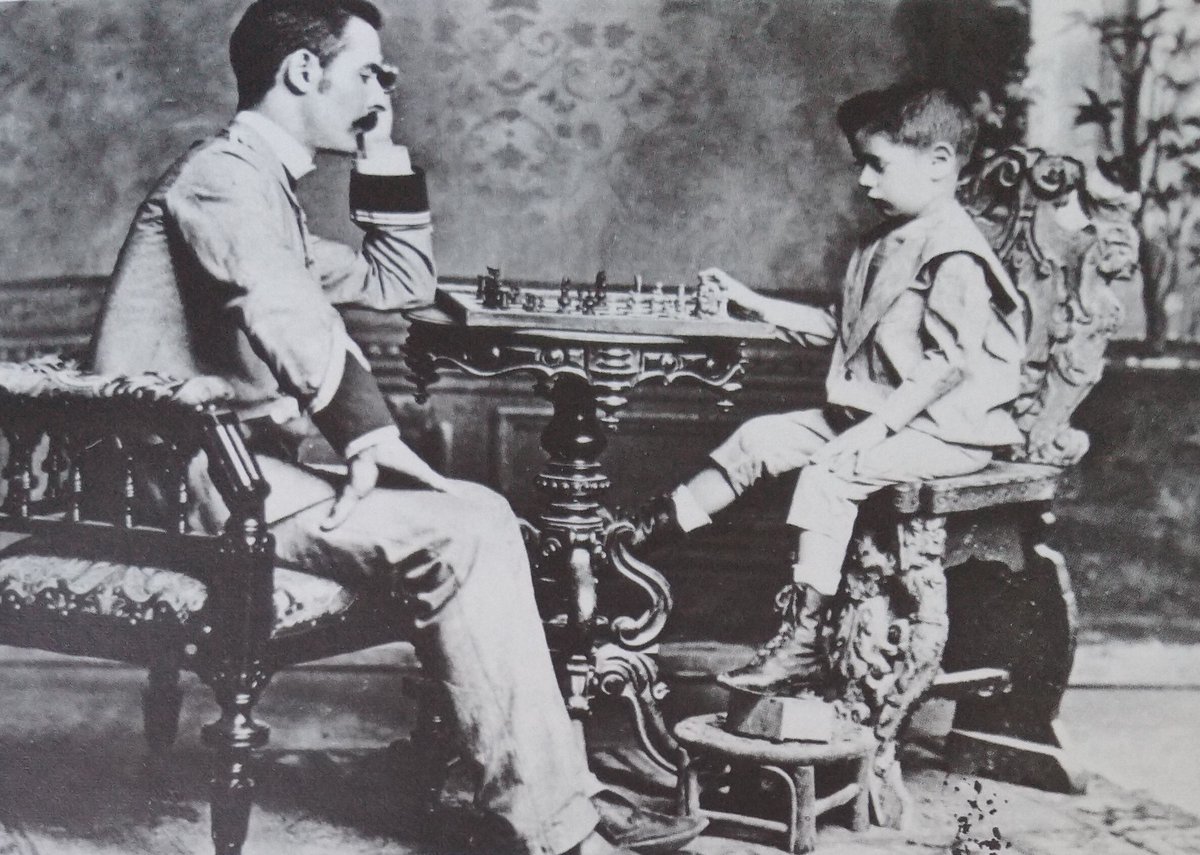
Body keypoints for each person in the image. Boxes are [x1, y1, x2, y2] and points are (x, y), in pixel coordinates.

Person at [90, 2, 695, 853]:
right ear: (304, 72)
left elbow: (398, 281)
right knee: (464, 531)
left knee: (482, 513)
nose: (385, 91)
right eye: (372, 74)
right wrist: (369, 437)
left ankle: (549, 799)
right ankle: (556, 829)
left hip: (236, 471)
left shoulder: (262, 192)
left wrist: (380, 149)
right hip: (175, 480)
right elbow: (288, 312)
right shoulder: (221, 179)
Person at [621, 83, 1026, 695]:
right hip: (880, 414)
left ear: (940, 162)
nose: (863, 180)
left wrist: (874, 430)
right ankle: (632, 542)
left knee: (830, 472)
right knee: (758, 438)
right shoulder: (882, 241)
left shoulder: (955, 253)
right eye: (861, 163)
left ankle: (802, 640)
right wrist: (757, 305)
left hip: (944, 431)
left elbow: (946, 363)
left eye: (877, 164)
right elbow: (846, 332)